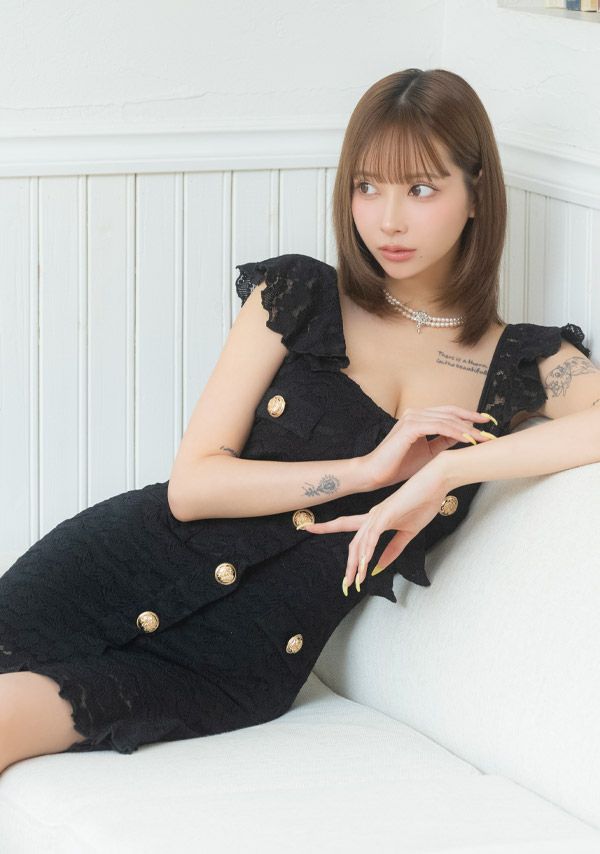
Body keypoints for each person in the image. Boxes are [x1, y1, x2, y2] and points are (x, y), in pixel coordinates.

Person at [0, 68, 598, 772]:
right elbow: (192, 488)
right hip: (107, 570)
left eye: (421, 189)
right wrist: (369, 472)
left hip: (230, 661)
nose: (388, 219)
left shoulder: (520, 363)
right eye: (367, 186)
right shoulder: (298, 296)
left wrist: (447, 470)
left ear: (477, 194)